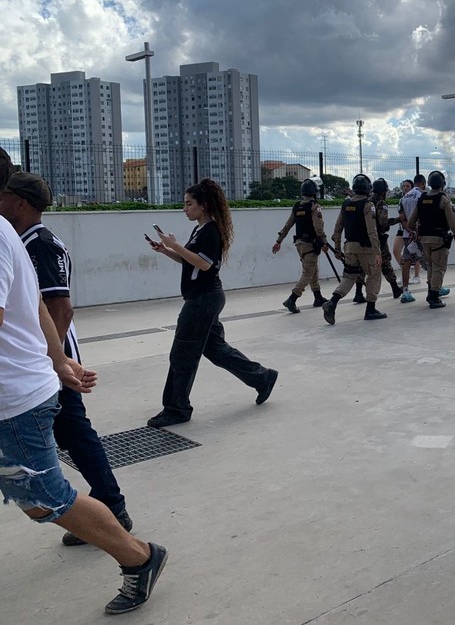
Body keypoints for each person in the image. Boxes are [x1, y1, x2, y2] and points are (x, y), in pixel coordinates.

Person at [0, 204, 167, 614]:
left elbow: (42, 305)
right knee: (38, 497)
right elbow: (35, 301)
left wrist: (57, 362)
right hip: (22, 388)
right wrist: (58, 361)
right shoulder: (9, 232)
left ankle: (140, 557)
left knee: (45, 499)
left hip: (14, 399)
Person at [0, 172, 134, 547]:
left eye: (4, 197)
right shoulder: (26, 239)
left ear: (20, 203)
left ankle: (112, 509)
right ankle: (107, 508)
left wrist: (53, 361)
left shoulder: (38, 243)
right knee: (71, 432)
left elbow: (60, 307)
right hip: (44, 358)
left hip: (47, 358)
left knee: (75, 432)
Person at [146, 179, 278, 427]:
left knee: (182, 355)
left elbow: (205, 264)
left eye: (189, 204)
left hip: (202, 300)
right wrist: (166, 250)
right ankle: (263, 378)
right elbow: (193, 261)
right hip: (205, 298)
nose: (185, 208)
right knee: (216, 350)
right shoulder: (200, 229)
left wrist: (176, 245)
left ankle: (176, 408)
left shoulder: (210, 231)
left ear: (203, 205)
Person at [322, 174, 388, 324]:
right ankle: (371, 309)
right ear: (368, 189)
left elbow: (337, 228)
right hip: (367, 249)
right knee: (373, 275)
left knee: (349, 277)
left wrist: (338, 249)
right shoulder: (368, 205)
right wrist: (377, 251)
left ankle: (332, 303)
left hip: (349, 247)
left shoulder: (345, 204)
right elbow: (372, 231)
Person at [406, 171, 455, 309]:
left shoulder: (422, 198)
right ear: (442, 184)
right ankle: (434, 296)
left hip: (424, 239)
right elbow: (454, 223)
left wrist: (415, 230)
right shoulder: (443, 199)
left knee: (431, 266)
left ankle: (430, 291)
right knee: (439, 267)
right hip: (439, 239)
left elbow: (411, 221)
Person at [272, 178, 328, 313]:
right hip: (311, 244)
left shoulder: (297, 206)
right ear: (314, 192)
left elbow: (288, 225)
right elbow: (318, 226)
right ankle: (292, 299)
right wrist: (324, 241)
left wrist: (279, 241)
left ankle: (318, 297)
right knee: (308, 272)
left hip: (299, 244)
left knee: (313, 270)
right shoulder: (315, 206)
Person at [370, 178, 404, 300]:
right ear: (383, 192)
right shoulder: (381, 203)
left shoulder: (367, 201)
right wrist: (398, 219)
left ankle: (358, 292)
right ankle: (395, 288)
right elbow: (383, 222)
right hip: (378, 238)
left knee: (361, 265)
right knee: (385, 262)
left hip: (366, 238)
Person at [397, 174, 427, 303]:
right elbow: (424, 215)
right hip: (420, 234)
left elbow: (402, 218)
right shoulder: (422, 194)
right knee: (428, 259)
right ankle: (435, 287)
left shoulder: (404, 197)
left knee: (407, 260)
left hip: (407, 234)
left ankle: (405, 291)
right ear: (423, 183)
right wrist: (417, 231)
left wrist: (409, 230)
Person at [392, 180, 422, 285]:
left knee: (416, 251)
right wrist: (408, 229)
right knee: (396, 250)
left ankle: (417, 275)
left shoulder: (417, 198)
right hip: (403, 229)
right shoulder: (402, 199)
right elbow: (402, 217)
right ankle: (406, 271)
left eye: (407, 186)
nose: (405, 188)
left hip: (415, 229)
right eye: (404, 186)